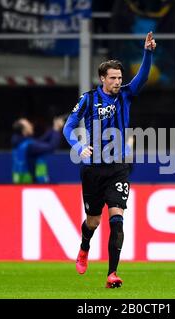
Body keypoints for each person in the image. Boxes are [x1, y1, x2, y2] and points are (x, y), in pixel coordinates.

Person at [63, 32, 156, 288]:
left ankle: (111, 274)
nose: (117, 81)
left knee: (117, 218)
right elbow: (68, 127)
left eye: (120, 78)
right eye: (113, 78)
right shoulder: (88, 99)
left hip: (118, 168)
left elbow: (143, 78)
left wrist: (147, 52)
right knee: (93, 221)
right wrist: (79, 146)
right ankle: (84, 248)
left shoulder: (126, 94)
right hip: (93, 170)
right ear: (102, 79)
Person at [11, 116, 64, 184]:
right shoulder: (30, 146)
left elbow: (39, 141)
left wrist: (53, 128)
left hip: (20, 183)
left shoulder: (20, 143)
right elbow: (51, 147)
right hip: (31, 185)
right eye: (28, 124)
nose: (31, 125)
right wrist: (56, 129)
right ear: (24, 130)